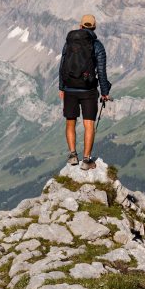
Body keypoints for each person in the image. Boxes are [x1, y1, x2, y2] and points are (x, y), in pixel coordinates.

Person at [58, 13, 111, 171]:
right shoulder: (97, 46)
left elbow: (62, 66)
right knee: (89, 124)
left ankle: (73, 155)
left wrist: (62, 87)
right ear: (94, 27)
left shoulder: (69, 42)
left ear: (80, 26)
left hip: (70, 88)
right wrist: (105, 92)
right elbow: (101, 71)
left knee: (70, 122)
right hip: (88, 90)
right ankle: (86, 160)